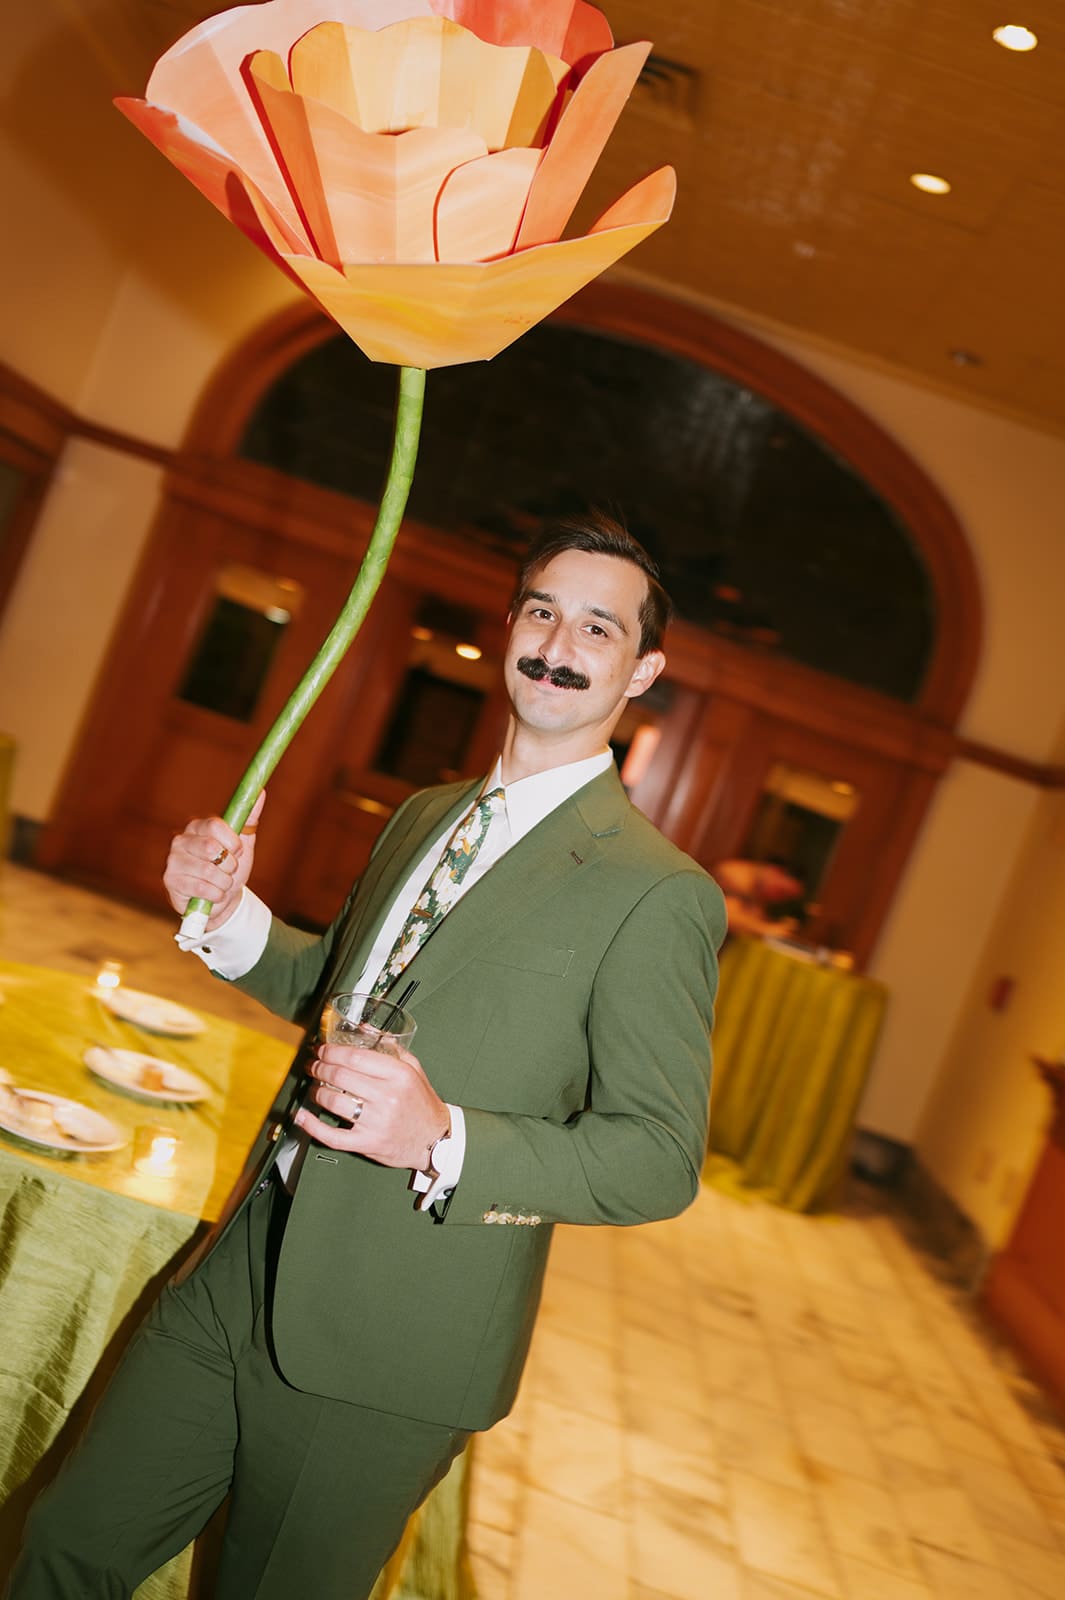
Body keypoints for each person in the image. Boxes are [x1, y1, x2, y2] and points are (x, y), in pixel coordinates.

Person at [8, 513, 725, 1600]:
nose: (557, 644)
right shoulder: (428, 812)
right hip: (237, 1272)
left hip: (392, 1349)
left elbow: (659, 1157)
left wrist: (444, 1136)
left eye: (597, 627)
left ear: (644, 668)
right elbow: (332, 992)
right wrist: (223, 911)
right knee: (64, 1547)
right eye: (541, 611)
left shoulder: (656, 891)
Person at [713, 856, 806, 938]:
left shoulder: (756, 890)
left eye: (785, 899)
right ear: (776, 870)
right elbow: (727, 917)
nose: (777, 899)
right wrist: (765, 929)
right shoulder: (735, 876)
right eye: (782, 892)